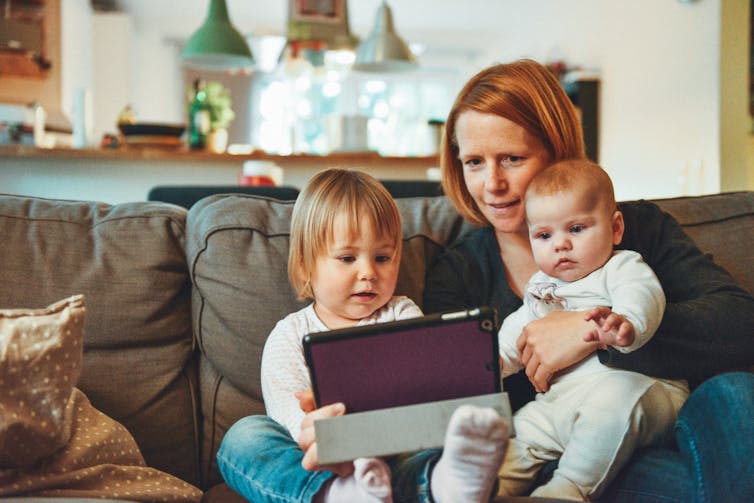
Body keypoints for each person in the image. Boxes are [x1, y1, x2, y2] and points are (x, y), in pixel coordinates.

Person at [425, 58, 754, 502]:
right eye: (474, 163)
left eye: (512, 159)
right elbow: (452, 392)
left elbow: (740, 324)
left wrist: (591, 330)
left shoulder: (635, 229)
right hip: (548, 454)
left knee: (736, 394)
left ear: (556, 151)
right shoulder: (458, 270)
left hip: (658, 432)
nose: (492, 184)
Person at [217, 167, 509, 503]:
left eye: (383, 257)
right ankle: (339, 494)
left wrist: (467, 371)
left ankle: (446, 484)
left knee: (447, 441)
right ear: (304, 266)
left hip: (397, 453)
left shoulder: (402, 314)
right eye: (347, 258)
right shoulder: (289, 335)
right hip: (322, 461)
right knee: (244, 437)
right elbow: (291, 420)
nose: (369, 272)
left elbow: (426, 389)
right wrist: (329, 438)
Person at [495, 159, 688, 500]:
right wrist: (493, 361)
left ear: (615, 228)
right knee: (520, 430)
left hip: (638, 391)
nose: (561, 244)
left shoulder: (620, 266)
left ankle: (566, 490)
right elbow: (519, 329)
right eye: (544, 235)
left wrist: (626, 323)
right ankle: (488, 489)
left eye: (577, 229)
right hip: (560, 402)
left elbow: (642, 294)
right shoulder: (542, 286)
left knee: (610, 404)